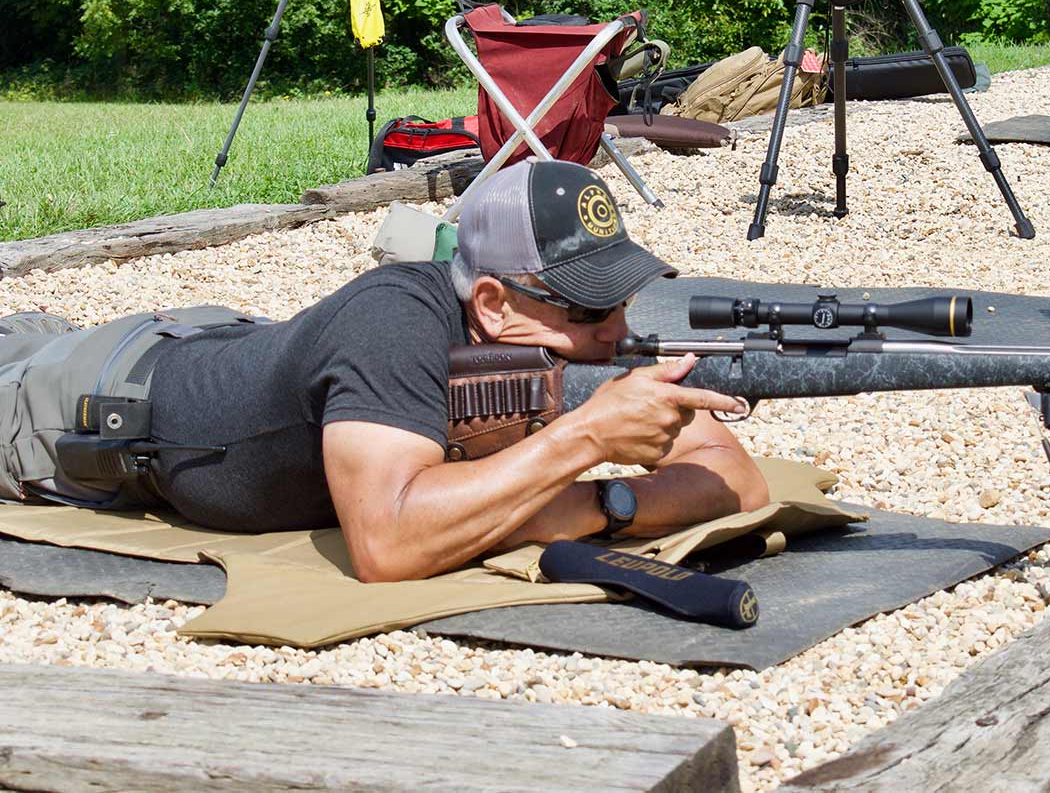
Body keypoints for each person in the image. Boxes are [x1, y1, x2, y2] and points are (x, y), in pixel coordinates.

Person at [0, 161, 769, 582]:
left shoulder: (551, 352)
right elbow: (389, 545)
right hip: (85, 398)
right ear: (495, 303)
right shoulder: (393, 323)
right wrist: (581, 443)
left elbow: (739, 479)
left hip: (213, 333)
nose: (616, 333)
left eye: (621, 302)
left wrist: (604, 502)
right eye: (588, 310)